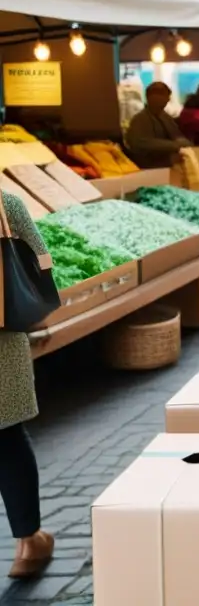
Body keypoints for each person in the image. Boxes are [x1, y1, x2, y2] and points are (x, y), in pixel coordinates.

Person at [0, 193, 54, 579]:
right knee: (7, 439)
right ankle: (28, 543)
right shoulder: (5, 204)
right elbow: (41, 258)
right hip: (2, 339)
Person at [125, 81, 191, 168]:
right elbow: (140, 144)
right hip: (150, 165)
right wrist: (173, 145)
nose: (167, 100)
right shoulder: (140, 119)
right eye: (164, 95)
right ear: (151, 97)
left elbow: (176, 135)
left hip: (169, 161)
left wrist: (182, 141)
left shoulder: (165, 116)